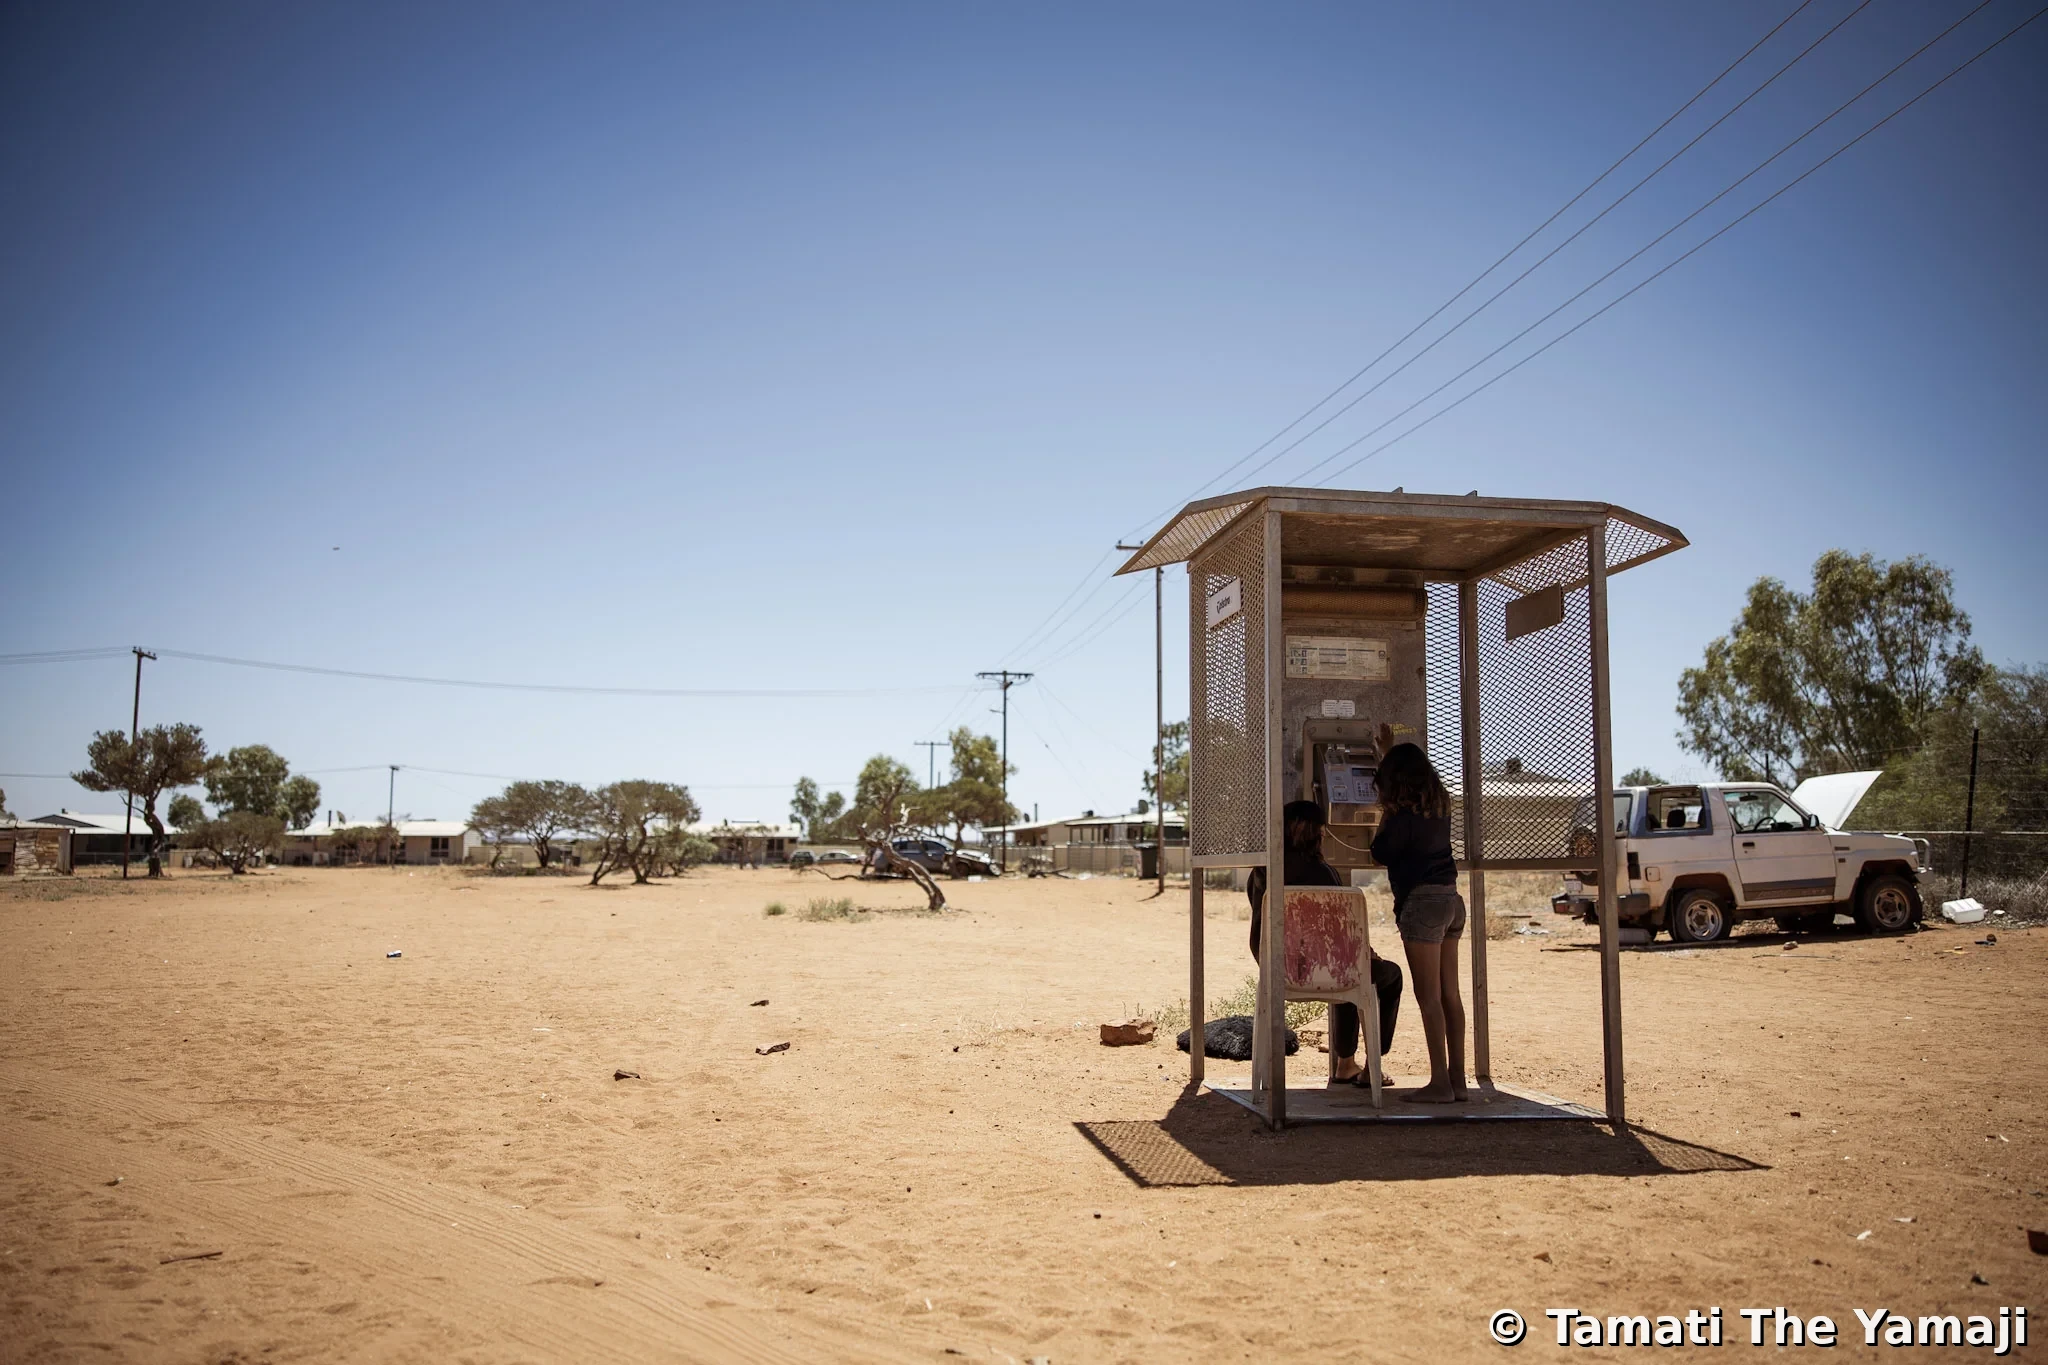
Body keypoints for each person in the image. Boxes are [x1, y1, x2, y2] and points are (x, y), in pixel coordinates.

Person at [1246, 799, 1403, 1086]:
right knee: (1382, 974)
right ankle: (1367, 1064)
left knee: (1347, 969)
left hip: (1278, 969)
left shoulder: (1261, 872)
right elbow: (1342, 933)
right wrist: (1368, 953)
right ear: (1317, 832)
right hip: (1327, 970)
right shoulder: (1323, 872)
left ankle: (1346, 1065)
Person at [1369, 743, 1467, 1103]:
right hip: (1451, 900)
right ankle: (1457, 1081)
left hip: (1421, 904)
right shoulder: (1438, 808)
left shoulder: (1401, 817)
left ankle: (1439, 1083)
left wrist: (1385, 811)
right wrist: (1383, 752)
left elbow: (1378, 853)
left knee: (1428, 997)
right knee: (1450, 995)